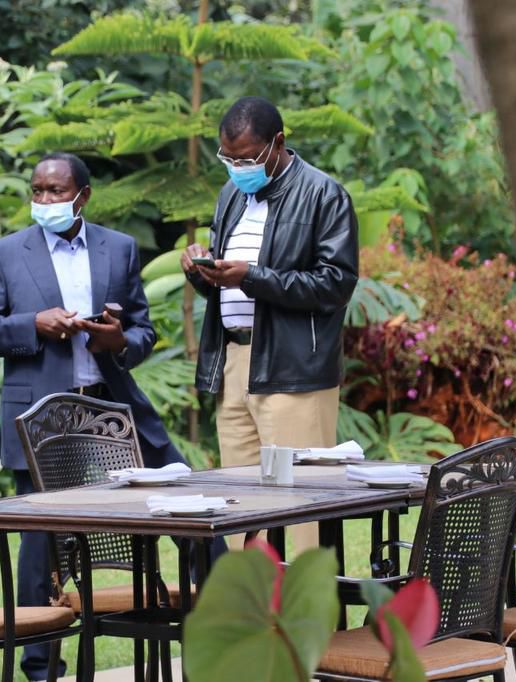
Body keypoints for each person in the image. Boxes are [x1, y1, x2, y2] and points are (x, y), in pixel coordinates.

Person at [0, 151, 187, 681]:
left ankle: (222, 623)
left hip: (111, 408)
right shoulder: (5, 254)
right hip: (42, 418)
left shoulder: (119, 248)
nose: (44, 201)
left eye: (56, 191)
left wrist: (119, 341)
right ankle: (41, 667)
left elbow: (142, 332)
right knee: (41, 541)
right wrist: (31, 324)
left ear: (82, 196)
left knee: (184, 508)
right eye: (37, 191)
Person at [181, 96, 358, 548]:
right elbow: (229, 287)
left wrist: (253, 277)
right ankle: (250, 613)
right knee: (241, 504)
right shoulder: (231, 196)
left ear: (277, 143)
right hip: (235, 363)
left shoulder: (323, 194)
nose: (237, 167)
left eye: (246, 157)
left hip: (293, 369)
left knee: (302, 504)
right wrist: (203, 272)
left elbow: (334, 284)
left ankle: (309, 614)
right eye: (229, 157)